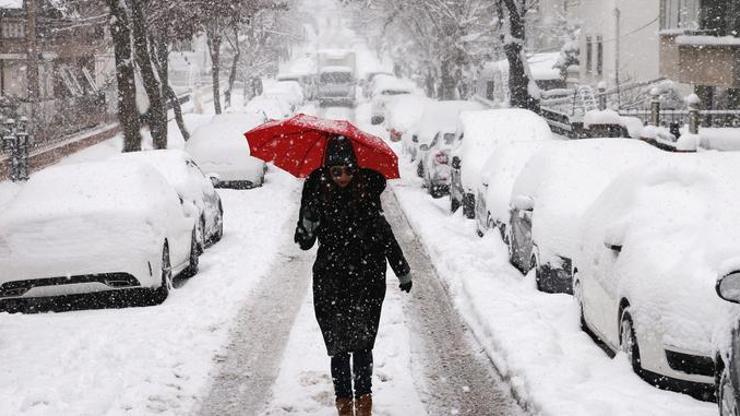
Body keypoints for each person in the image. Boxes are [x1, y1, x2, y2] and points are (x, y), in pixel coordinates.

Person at [294, 135, 412, 416]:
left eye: (348, 169)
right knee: (336, 346)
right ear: (328, 170)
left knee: (361, 345)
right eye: (336, 171)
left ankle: (364, 404)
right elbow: (304, 242)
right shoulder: (315, 192)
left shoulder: (367, 192)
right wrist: (308, 224)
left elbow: (385, 236)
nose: (343, 176)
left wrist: (402, 270)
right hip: (330, 280)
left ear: (355, 168)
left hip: (366, 279)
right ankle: (344, 405)